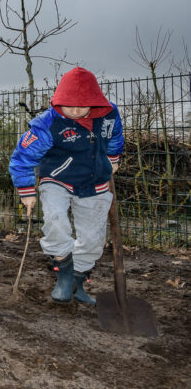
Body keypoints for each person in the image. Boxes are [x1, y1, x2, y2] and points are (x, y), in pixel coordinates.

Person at [9, 67, 123, 306]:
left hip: (95, 182)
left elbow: (115, 137)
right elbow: (23, 156)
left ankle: (76, 281)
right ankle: (63, 273)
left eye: (82, 105)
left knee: (93, 240)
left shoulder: (110, 115)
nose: (75, 110)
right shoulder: (48, 123)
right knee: (56, 219)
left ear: (95, 101)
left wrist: (112, 158)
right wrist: (26, 190)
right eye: (69, 105)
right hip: (57, 180)